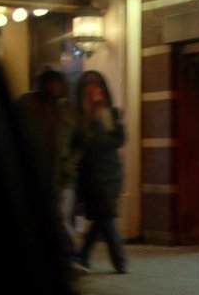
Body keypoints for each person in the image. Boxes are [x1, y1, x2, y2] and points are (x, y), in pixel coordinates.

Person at [15, 69, 88, 276]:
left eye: (58, 84)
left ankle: (69, 258)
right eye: (51, 84)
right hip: (36, 174)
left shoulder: (69, 110)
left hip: (63, 177)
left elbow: (80, 142)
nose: (55, 88)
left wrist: (71, 162)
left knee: (61, 218)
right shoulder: (25, 105)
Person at [75, 70, 128, 273]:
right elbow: (85, 144)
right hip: (92, 176)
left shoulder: (111, 113)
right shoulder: (82, 118)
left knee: (102, 217)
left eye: (97, 86)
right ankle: (119, 261)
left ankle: (84, 256)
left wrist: (99, 139)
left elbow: (120, 139)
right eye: (90, 88)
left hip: (112, 175)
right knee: (105, 216)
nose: (95, 91)